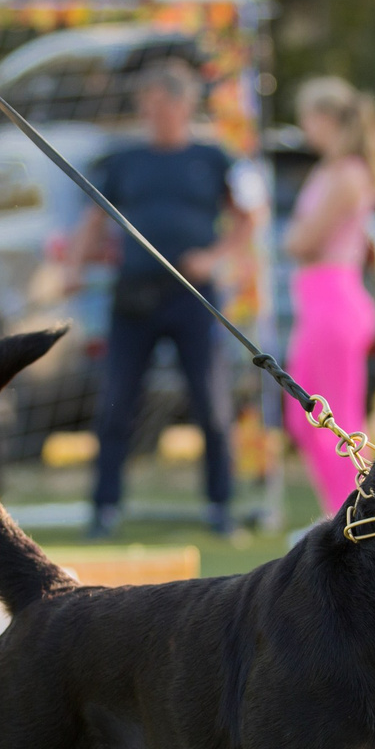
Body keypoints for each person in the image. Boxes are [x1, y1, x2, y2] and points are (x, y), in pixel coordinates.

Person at [65, 59, 259, 537]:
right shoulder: (125, 161)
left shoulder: (214, 159)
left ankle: (220, 507)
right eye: (146, 107)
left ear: (184, 105)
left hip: (194, 297)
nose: (153, 115)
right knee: (116, 401)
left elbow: (247, 219)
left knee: (210, 405)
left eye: (162, 106)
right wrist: (73, 266)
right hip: (134, 298)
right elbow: (94, 220)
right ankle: (104, 509)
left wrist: (213, 257)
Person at [280, 76, 375, 511]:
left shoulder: (347, 174)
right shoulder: (329, 170)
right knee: (303, 417)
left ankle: (355, 514)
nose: (304, 128)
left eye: (308, 118)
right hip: (317, 303)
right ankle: (339, 512)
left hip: (334, 303)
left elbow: (302, 241)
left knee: (338, 422)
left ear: (325, 118)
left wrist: (292, 235)